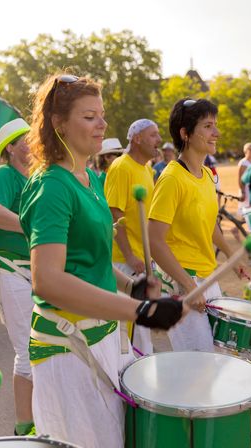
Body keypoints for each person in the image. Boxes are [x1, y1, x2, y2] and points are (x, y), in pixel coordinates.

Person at [19, 73, 184, 448]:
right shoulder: (51, 186)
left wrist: (131, 285)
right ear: (58, 124)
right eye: (89, 116)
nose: (103, 124)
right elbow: (48, 280)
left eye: (102, 114)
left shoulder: (90, 178)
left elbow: (88, 258)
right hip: (68, 346)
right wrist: (137, 310)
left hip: (102, 336)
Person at [148, 98, 242, 351]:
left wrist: (234, 259)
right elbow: (154, 242)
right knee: (199, 368)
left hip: (207, 276)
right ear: (185, 133)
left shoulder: (207, 176)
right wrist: (189, 285)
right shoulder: (171, 179)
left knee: (218, 359)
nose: (217, 133)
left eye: (215, 125)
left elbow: (209, 226)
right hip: (182, 281)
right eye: (208, 126)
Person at [105, 119, 162, 353]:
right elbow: (114, 212)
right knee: (124, 332)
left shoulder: (147, 168)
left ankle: (142, 376)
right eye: (153, 135)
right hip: (124, 261)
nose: (158, 140)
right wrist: (129, 255)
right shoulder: (121, 167)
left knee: (142, 327)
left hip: (143, 259)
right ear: (137, 139)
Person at [0, 118, 35, 436]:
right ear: (10, 148)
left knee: (46, 345)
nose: (32, 142)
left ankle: (41, 418)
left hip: (37, 272)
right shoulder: (5, 175)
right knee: (27, 349)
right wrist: (33, 226)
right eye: (25, 139)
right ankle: (25, 426)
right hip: (10, 271)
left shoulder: (36, 179)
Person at [238, 142, 251, 211]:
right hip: (246, 188)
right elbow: (240, 179)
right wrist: (243, 192)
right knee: (246, 210)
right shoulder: (243, 162)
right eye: (250, 149)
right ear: (245, 151)